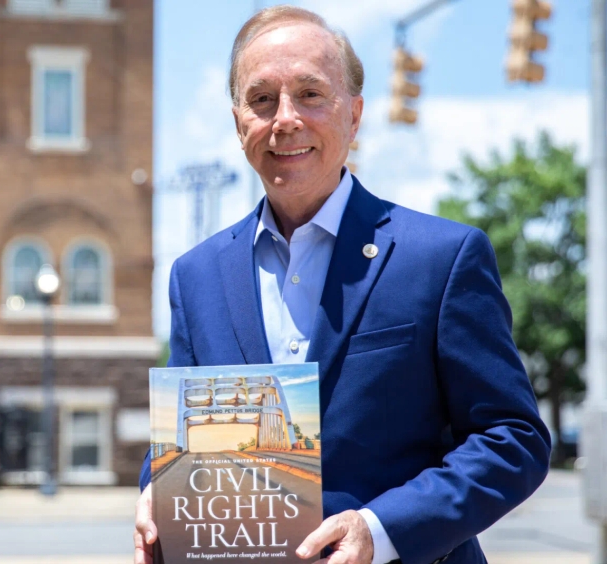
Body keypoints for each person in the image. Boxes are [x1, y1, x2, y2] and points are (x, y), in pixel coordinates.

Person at [133, 6, 550, 564]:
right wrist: (153, 491)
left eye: (310, 94)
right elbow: (185, 440)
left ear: (354, 116)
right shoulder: (196, 276)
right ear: (238, 124)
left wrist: (379, 530)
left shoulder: (442, 258)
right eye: (261, 99)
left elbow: (513, 440)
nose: (285, 119)